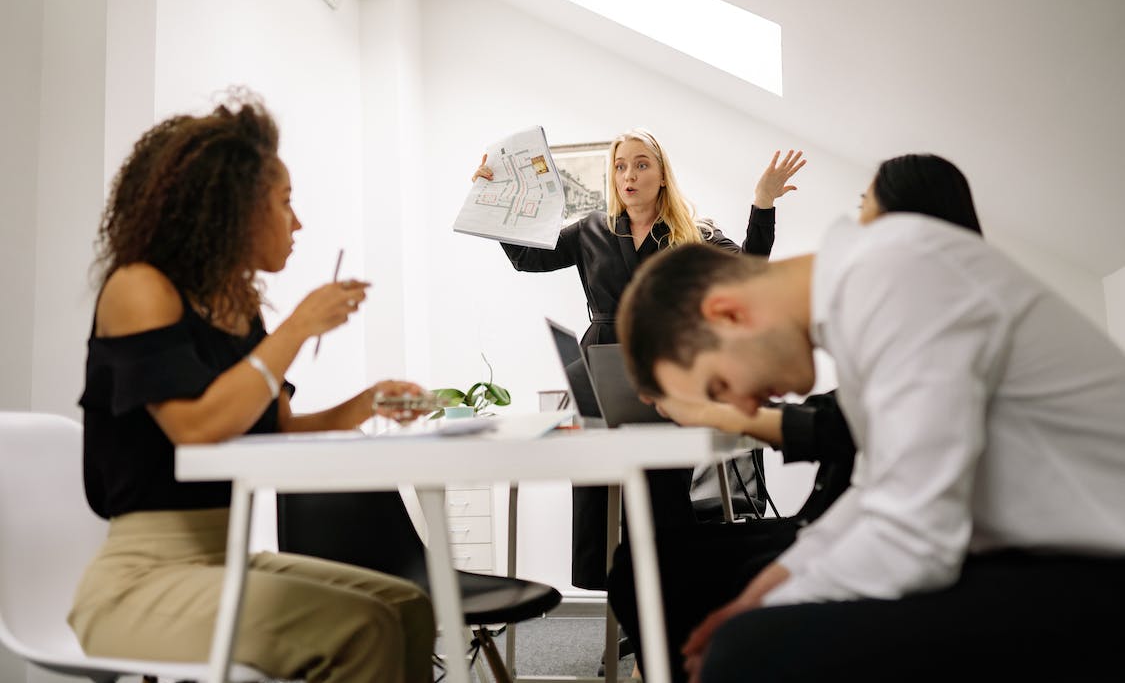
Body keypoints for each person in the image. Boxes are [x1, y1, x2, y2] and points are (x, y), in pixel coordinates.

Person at [616, 161, 1125, 681]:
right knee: (743, 628)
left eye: (720, 386)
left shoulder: (893, 275)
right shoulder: (861, 290)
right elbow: (873, 491)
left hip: (1100, 570)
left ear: (727, 314)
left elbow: (915, 536)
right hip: (1049, 555)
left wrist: (765, 612)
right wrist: (764, 589)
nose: (742, 411)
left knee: (746, 653)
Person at [70, 91, 436, 683]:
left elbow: (279, 430)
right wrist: (295, 329)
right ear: (230, 209)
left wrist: (368, 402)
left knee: (409, 608)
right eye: (285, 202)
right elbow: (196, 427)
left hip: (224, 560)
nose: (297, 222)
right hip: (139, 581)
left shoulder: (240, 310)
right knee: (361, 629)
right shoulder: (138, 289)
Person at [474, 129, 806, 590]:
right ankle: (625, 607)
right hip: (601, 366)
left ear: (662, 175)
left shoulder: (693, 233)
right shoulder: (591, 228)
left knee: (663, 494)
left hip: (666, 369)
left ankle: (665, 607)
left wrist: (763, 203)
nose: (629, 174)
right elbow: (527, 258)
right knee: (601, 493)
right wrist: (495, 199)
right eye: (620, 165)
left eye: (641, 164)